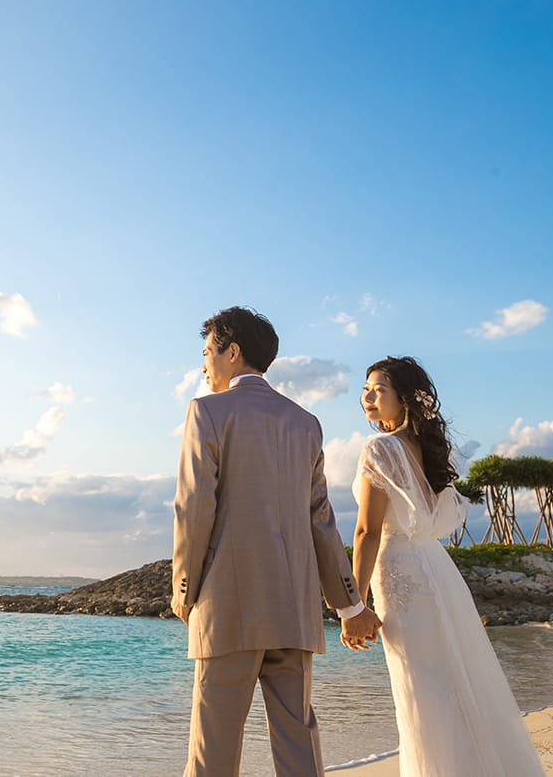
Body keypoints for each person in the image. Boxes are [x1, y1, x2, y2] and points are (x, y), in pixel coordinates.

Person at [173, 306, 381, 777]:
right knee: (298, 742)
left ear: (232, 351)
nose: (204, 365)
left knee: (214, 748)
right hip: (294, 609)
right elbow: (321, 522)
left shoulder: (206, 411)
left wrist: (184, 589)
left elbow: (194, 507)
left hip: (228, 607)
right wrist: (348, 605)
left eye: (208, 352)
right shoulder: (305, 422)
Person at [347, 356, 545, 776]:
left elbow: (367, 530)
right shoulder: (425, 450)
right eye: (365, 388)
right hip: (437, 569)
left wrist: (354, 604)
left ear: (404, 399)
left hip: (399, 571)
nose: (368, 396)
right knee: (454, 677)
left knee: (422, 688)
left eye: (379, 389)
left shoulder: (380, 448)